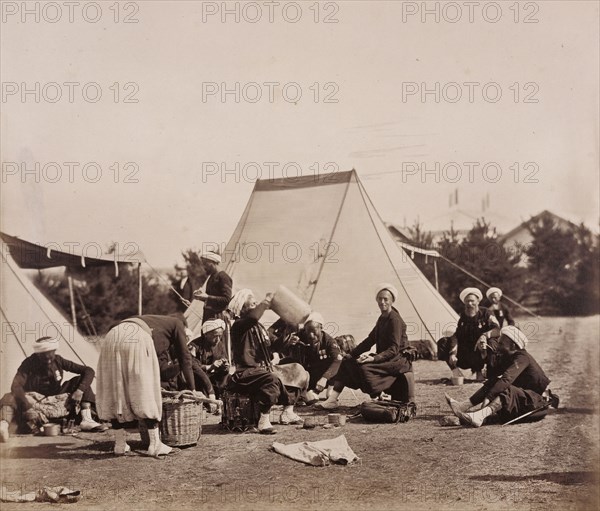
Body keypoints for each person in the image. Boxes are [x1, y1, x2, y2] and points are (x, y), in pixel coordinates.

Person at [96, 314, 197, 457]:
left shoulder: (155, 322)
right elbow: (185, 357)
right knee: (146, 389)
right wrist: (192, 388)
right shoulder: (177, 323)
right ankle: (155, 445)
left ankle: (119, 444)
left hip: (112, 335)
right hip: (137, 337)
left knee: (116, 389)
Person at [317, 283, 416, 410]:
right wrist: (351, 354)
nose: (382, 302)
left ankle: (380, 395)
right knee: (347, 362)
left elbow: (394, 349)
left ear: (392, 301)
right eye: (380, 299)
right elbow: (370, 340)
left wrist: (373, 359)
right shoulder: (382, 318)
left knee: (364, 369)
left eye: (386, 299)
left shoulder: (394, 320)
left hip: (398, 360)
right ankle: (332, 399)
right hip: (387, 357)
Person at [445, 326, 559, 427]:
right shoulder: (509, 356)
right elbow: (492, 375)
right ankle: (464, 406)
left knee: (507, 388)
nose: (498, 346)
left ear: (513, 346)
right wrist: (484, 354)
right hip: (521, 398)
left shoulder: (522, 358)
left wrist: (489, 397)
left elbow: (507, 379)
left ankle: (480, 415)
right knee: (495, 382)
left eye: (501, 343)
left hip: (535, 402)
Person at [226, 289, 305, 434]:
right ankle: (264, 420)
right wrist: (266, 301)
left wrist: (287, 339)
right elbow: (252, 318)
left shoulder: (259, 328)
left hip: (264, 369)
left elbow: (272, 348)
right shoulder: (239, 325)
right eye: (252, 301)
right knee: (271, 379)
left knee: (297, 370)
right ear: (242, 307)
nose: (256, 303)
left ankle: (288, 412)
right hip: (245, 372)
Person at [0, 336, 103, 442]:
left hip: (57, 399)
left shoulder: (58, 360)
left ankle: (86, 419)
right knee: (9, 396)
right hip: (35, 401)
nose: (49, 360)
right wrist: (27, 406)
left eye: (51, 355)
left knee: (79, 381)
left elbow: (88, 371)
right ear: (38, 354)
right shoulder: (28, 363)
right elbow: (16, 386)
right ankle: (3, 426)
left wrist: (79, 390)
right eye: (44, 357)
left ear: (54, 351)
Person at [283, 312, 343, 404]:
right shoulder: (298, 336)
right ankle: (300, 392)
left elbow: (338, 360)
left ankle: (329, 388)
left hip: (322, 375)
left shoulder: (329, 341)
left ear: (321, 328)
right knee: (285, 362)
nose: (311, 335)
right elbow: (283, 352)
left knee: (338, 362)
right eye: (308, 331)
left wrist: (325, 378)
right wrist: (288, 344)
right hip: (305, 372)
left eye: (314, 332)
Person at [444, 287, 501, 381]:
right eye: (467, 301)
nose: (469, 304)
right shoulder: (463, 316)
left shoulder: (487, 313)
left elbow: (497, 329)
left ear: (478, 301)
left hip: (483, 351)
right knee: (443, 342)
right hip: (468, 353)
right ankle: (456, 373)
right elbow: (457, 335)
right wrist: (453, 353)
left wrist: (484, 335)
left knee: (491, 342)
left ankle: (487, 373)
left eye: (472, 301)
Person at [191, 319, 230, 400]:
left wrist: (225, 366)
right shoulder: (195, 345)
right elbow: (192, 366)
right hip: (199, 378)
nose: (218, 339)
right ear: (206, 334)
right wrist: (210, 367)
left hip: (214, 377)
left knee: (228, 379)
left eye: (220, 336)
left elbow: (224, 358)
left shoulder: (220, 345)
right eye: (215, 336)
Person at [193, 252, 233, 323]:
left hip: (218, 319)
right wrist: (201, 297)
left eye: (205, 264)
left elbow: (226, 300)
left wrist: (207, 297)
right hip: (208, 317)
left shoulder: (223, 277)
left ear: (213, 262)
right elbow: (213, 299)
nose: (204, 267)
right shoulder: (212, 277)